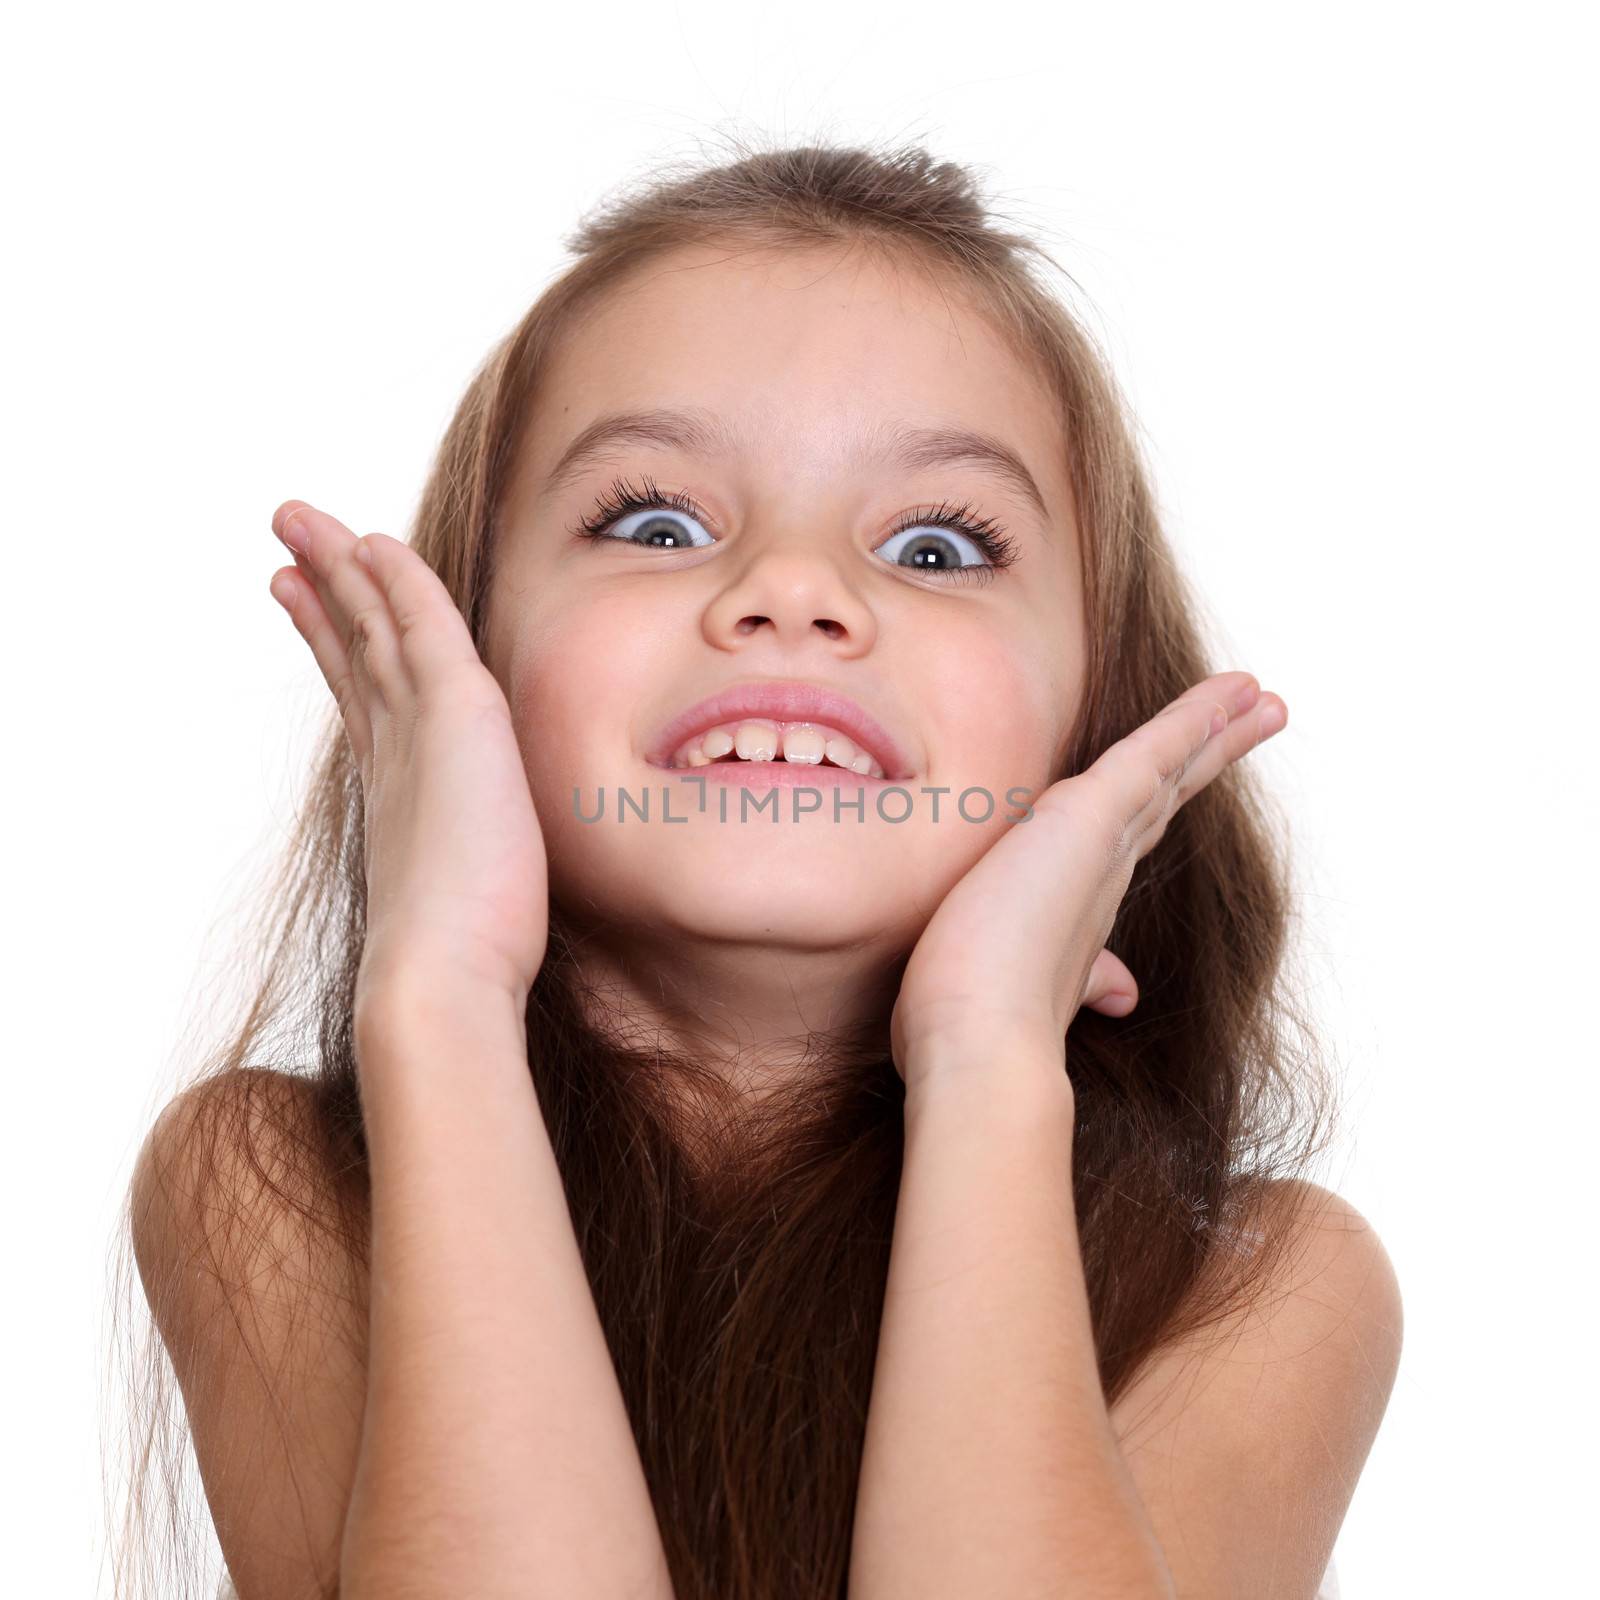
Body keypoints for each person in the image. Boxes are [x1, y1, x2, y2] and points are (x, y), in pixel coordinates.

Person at [118, 135, 1399, 1600]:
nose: (791, 592)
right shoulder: (270, 1191)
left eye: (935, 545)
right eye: (653, 522)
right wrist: (445, 989)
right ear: (470, 667)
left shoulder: (1265, 1288)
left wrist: (988, 1060)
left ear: (1093, 721)